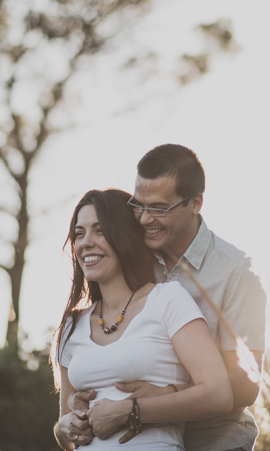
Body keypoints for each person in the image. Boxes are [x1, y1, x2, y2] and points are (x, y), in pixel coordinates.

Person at [72, 145, 267, 451]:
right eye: (138, 205)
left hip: (215, 438)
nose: (145, 219)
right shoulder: (133, 255)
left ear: (195, 203)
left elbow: (246, 384)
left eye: (160, 208)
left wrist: (166, 395)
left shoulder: (236, 273)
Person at [53, 189, 233, 450]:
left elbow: (218, 394)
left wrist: (129, 411)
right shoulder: (72, 325)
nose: (86, 242)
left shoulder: (167, 300)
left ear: (125, 236)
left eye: (100, 230)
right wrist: (65, 427)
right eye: (79, 233)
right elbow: (63, 431)